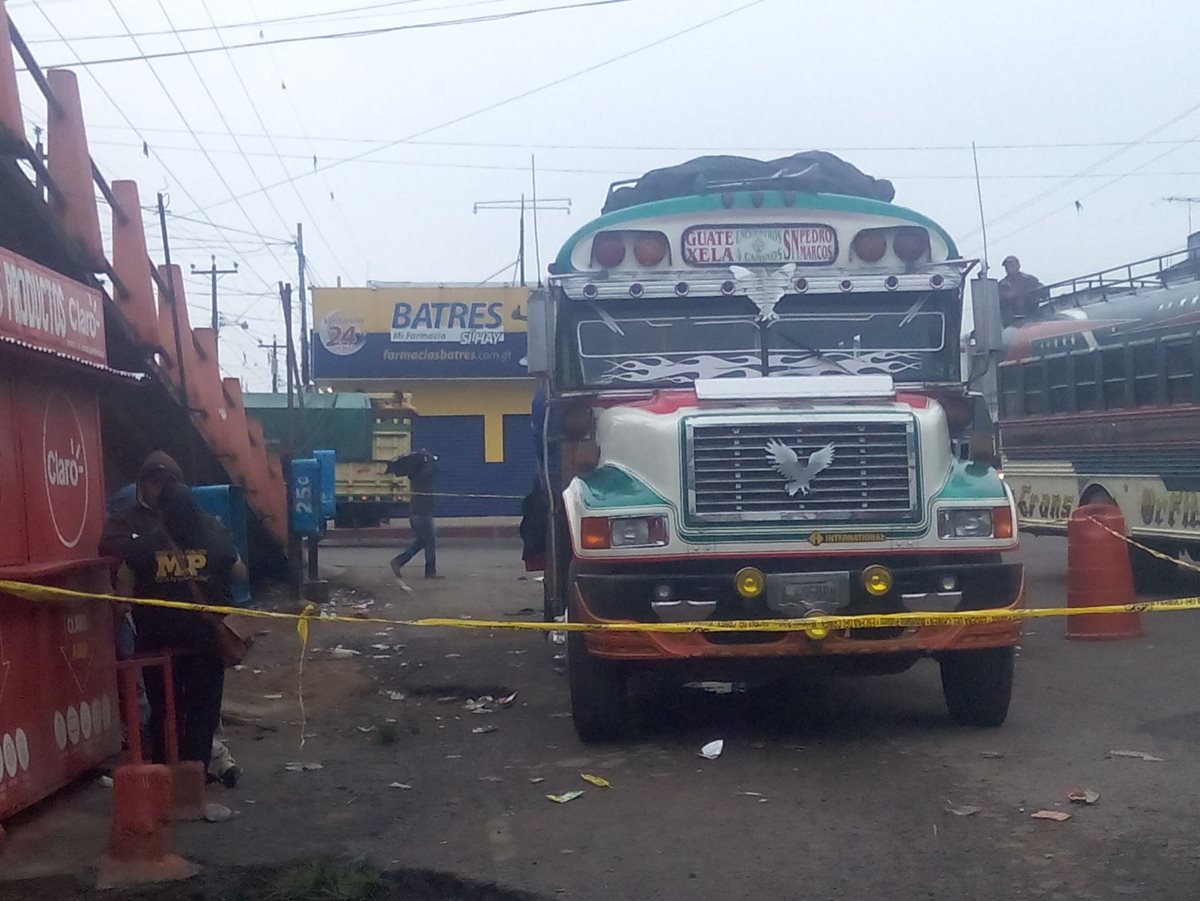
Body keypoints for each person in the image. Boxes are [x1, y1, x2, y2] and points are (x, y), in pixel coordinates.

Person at [115, 482, 246, 810]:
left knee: (163, 711)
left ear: (161, 510)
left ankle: (164, 776)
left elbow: (122, 596)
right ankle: (195, 777)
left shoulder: (143, 545)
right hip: (206, 644)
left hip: (157, 645)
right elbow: (240, 575)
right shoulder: (215, 538)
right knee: (203, 711)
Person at [386, 449, 441, 579]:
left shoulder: (415, 476)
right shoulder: (422, 476)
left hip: (416, 513)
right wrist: (428, 457)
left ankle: (398, 561)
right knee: (430, 542)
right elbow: (436, 468)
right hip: (422, 513)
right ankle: (430, 571)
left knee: (421, 541)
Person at [998, 255, 1045, 327]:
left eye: (1011, 265)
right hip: (1010, 323)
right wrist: (1006, 297)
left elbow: (1043, 291)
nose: (1009, 268)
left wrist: (1037, 291)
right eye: (1007, 267)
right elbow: (995, 302)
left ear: (1018, 266)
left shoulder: (1030, 280)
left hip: (1031, 319)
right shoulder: (1001, 285)